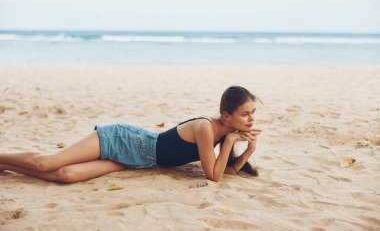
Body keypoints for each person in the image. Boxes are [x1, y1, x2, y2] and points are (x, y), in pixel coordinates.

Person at [0, 86, 262, 183]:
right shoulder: (207, 128)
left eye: (252, 114)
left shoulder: (224, 134)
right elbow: (213, 177)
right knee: (48, 163)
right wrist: (228, 141)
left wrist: (248, 150)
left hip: (137, 160)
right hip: (124, 140)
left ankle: (5, 166)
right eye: (245, 114)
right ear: (226, 115)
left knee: (67, 176)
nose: (251, 119)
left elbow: (225, 171)